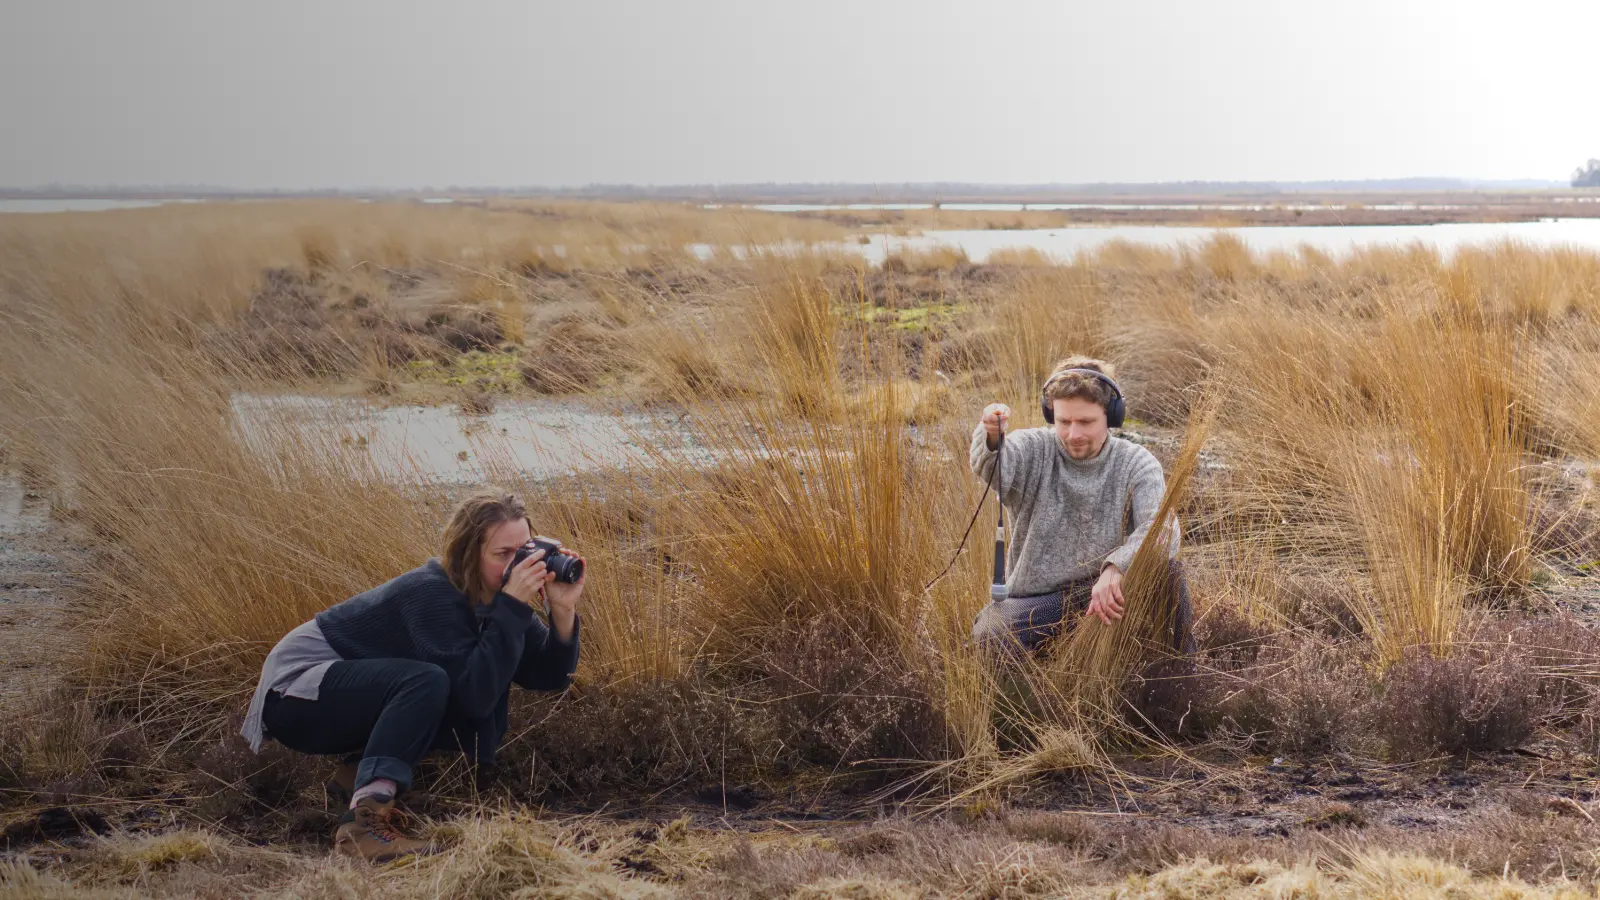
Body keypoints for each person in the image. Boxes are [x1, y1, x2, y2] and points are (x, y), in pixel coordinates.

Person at [240, 491, 583, 863]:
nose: (517, 566)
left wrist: (562, 610)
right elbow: (473, 697)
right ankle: (362, 827)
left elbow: (550, 676)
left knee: (451, 679)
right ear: (468, 555)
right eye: (503, 554)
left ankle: (355, 777)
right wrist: (513, 608)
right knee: (427, 682)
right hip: (294, 691)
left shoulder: (493, 599)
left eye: (523, 552)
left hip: (332, 693)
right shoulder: (433, 593)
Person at [970, 356, 1194, 656]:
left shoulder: (1137, 462)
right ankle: (1036, 701)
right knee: (990, 634)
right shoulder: (1033, 448)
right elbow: (996, 467)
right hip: (1040, 600)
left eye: (1086, 422)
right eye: (1064, 422)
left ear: (1111, 416)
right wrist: (992, 435)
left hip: (1115, 592)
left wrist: (1116, 568)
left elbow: (1164, 530)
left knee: (1169, 574)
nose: (1073, 435)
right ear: (1051, 416)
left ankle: (1185, 676)